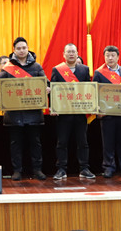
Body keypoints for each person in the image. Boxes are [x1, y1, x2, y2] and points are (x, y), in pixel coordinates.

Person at [0, 37, 47, 181]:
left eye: (24, 48)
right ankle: (17, 170)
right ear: (14, 50)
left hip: (33, 113)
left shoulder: (36, 67)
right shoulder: (8, 67)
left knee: (35, 143)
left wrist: (46, 89)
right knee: (15, 144)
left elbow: (45, 83)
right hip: (14, 113)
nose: (22, 50)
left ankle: (37, 170)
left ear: (28, 48)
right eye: (18, 48)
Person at [50, 43, 94, 180]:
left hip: (80, 113)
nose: (71, 54)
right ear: (63, 54)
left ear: (77, 54)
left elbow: (89, 89)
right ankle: (61, 169)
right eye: (68, 52)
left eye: (73, 52)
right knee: (62, 142)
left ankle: (84, 168)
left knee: (83, 142)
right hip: (63, 114)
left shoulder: (84, 69)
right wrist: (53, 106)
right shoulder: (57, 70)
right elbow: (53, 90)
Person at [93, 45, 121, 178]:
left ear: (118, 57)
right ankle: (108, 167)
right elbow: (95, 93)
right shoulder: (99, 73)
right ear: (104, 57)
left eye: (113, 55)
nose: (110, 58)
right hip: (108, 115)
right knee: (108, 143)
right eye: (107, 55)